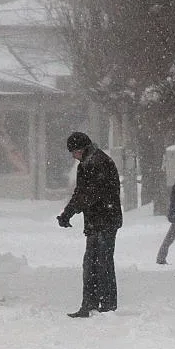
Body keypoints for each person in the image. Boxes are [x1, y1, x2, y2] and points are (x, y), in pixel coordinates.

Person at [56, 131, 122, 318]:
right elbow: (82, 193)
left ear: (81, 149)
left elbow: (89, 194)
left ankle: (105, 304)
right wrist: (67, 213)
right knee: (93, 262)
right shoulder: (88, 163)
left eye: (73, 152)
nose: (72, 156)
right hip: (98, 221)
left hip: (105, 220)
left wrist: (69, 212)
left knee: (101, 262)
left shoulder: (97, 163)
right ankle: (93, 303)